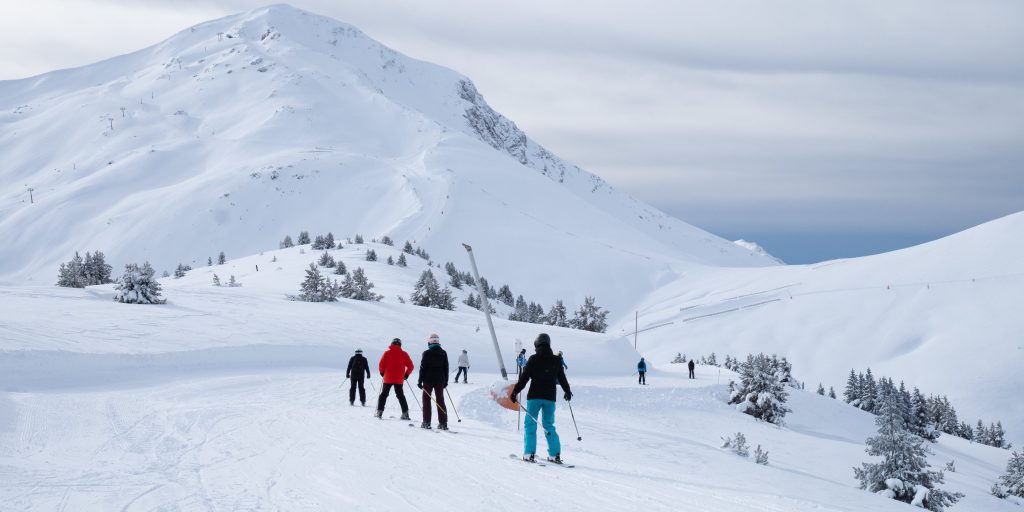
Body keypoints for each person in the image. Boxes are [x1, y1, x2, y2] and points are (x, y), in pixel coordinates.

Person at [510, 333, 572, 464]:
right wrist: (567, 391)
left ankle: (529, 453)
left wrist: (515, 391)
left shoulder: (533, 359)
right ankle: (555, 455)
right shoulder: (556, 360)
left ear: (537, 344)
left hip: (534, 397)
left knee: (530, 424)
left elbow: (524, 378)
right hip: (550, 398)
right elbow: (562, 378)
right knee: (549, 425)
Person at [376, 338, 414, 420]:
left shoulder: (387, 353)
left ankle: (379, 412)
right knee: (400, 395)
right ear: (400, 345)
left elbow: (381, 364)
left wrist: (382, 373)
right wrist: (406, 375)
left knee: (384, 395)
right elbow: (411, 366)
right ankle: (405, 413)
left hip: (388, 378)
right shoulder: (404, 354)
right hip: (399, 379)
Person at [417, 333, 450, 430]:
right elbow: (446, 368)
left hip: (428, 380)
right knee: (440, 400)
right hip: (440, 380)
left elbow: (422, 368)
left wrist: (419, 381)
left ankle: (426, 422)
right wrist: (446, 381)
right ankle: (443, 423)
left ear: (430, 342)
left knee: (426, 400)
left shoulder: (426, 353)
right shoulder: (443, 353)